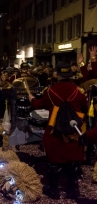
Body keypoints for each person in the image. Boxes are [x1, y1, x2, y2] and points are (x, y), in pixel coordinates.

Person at [28, 62, 87, 199]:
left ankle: (54, 190)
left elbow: (38, 104)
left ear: (58, 75)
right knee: (72, 156)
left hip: (55, 129)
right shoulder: (77, 90)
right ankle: (72, 190)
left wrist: (32, 99)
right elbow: (84, 107)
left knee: (55, 158)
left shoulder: (51, 91)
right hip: (73, 128)